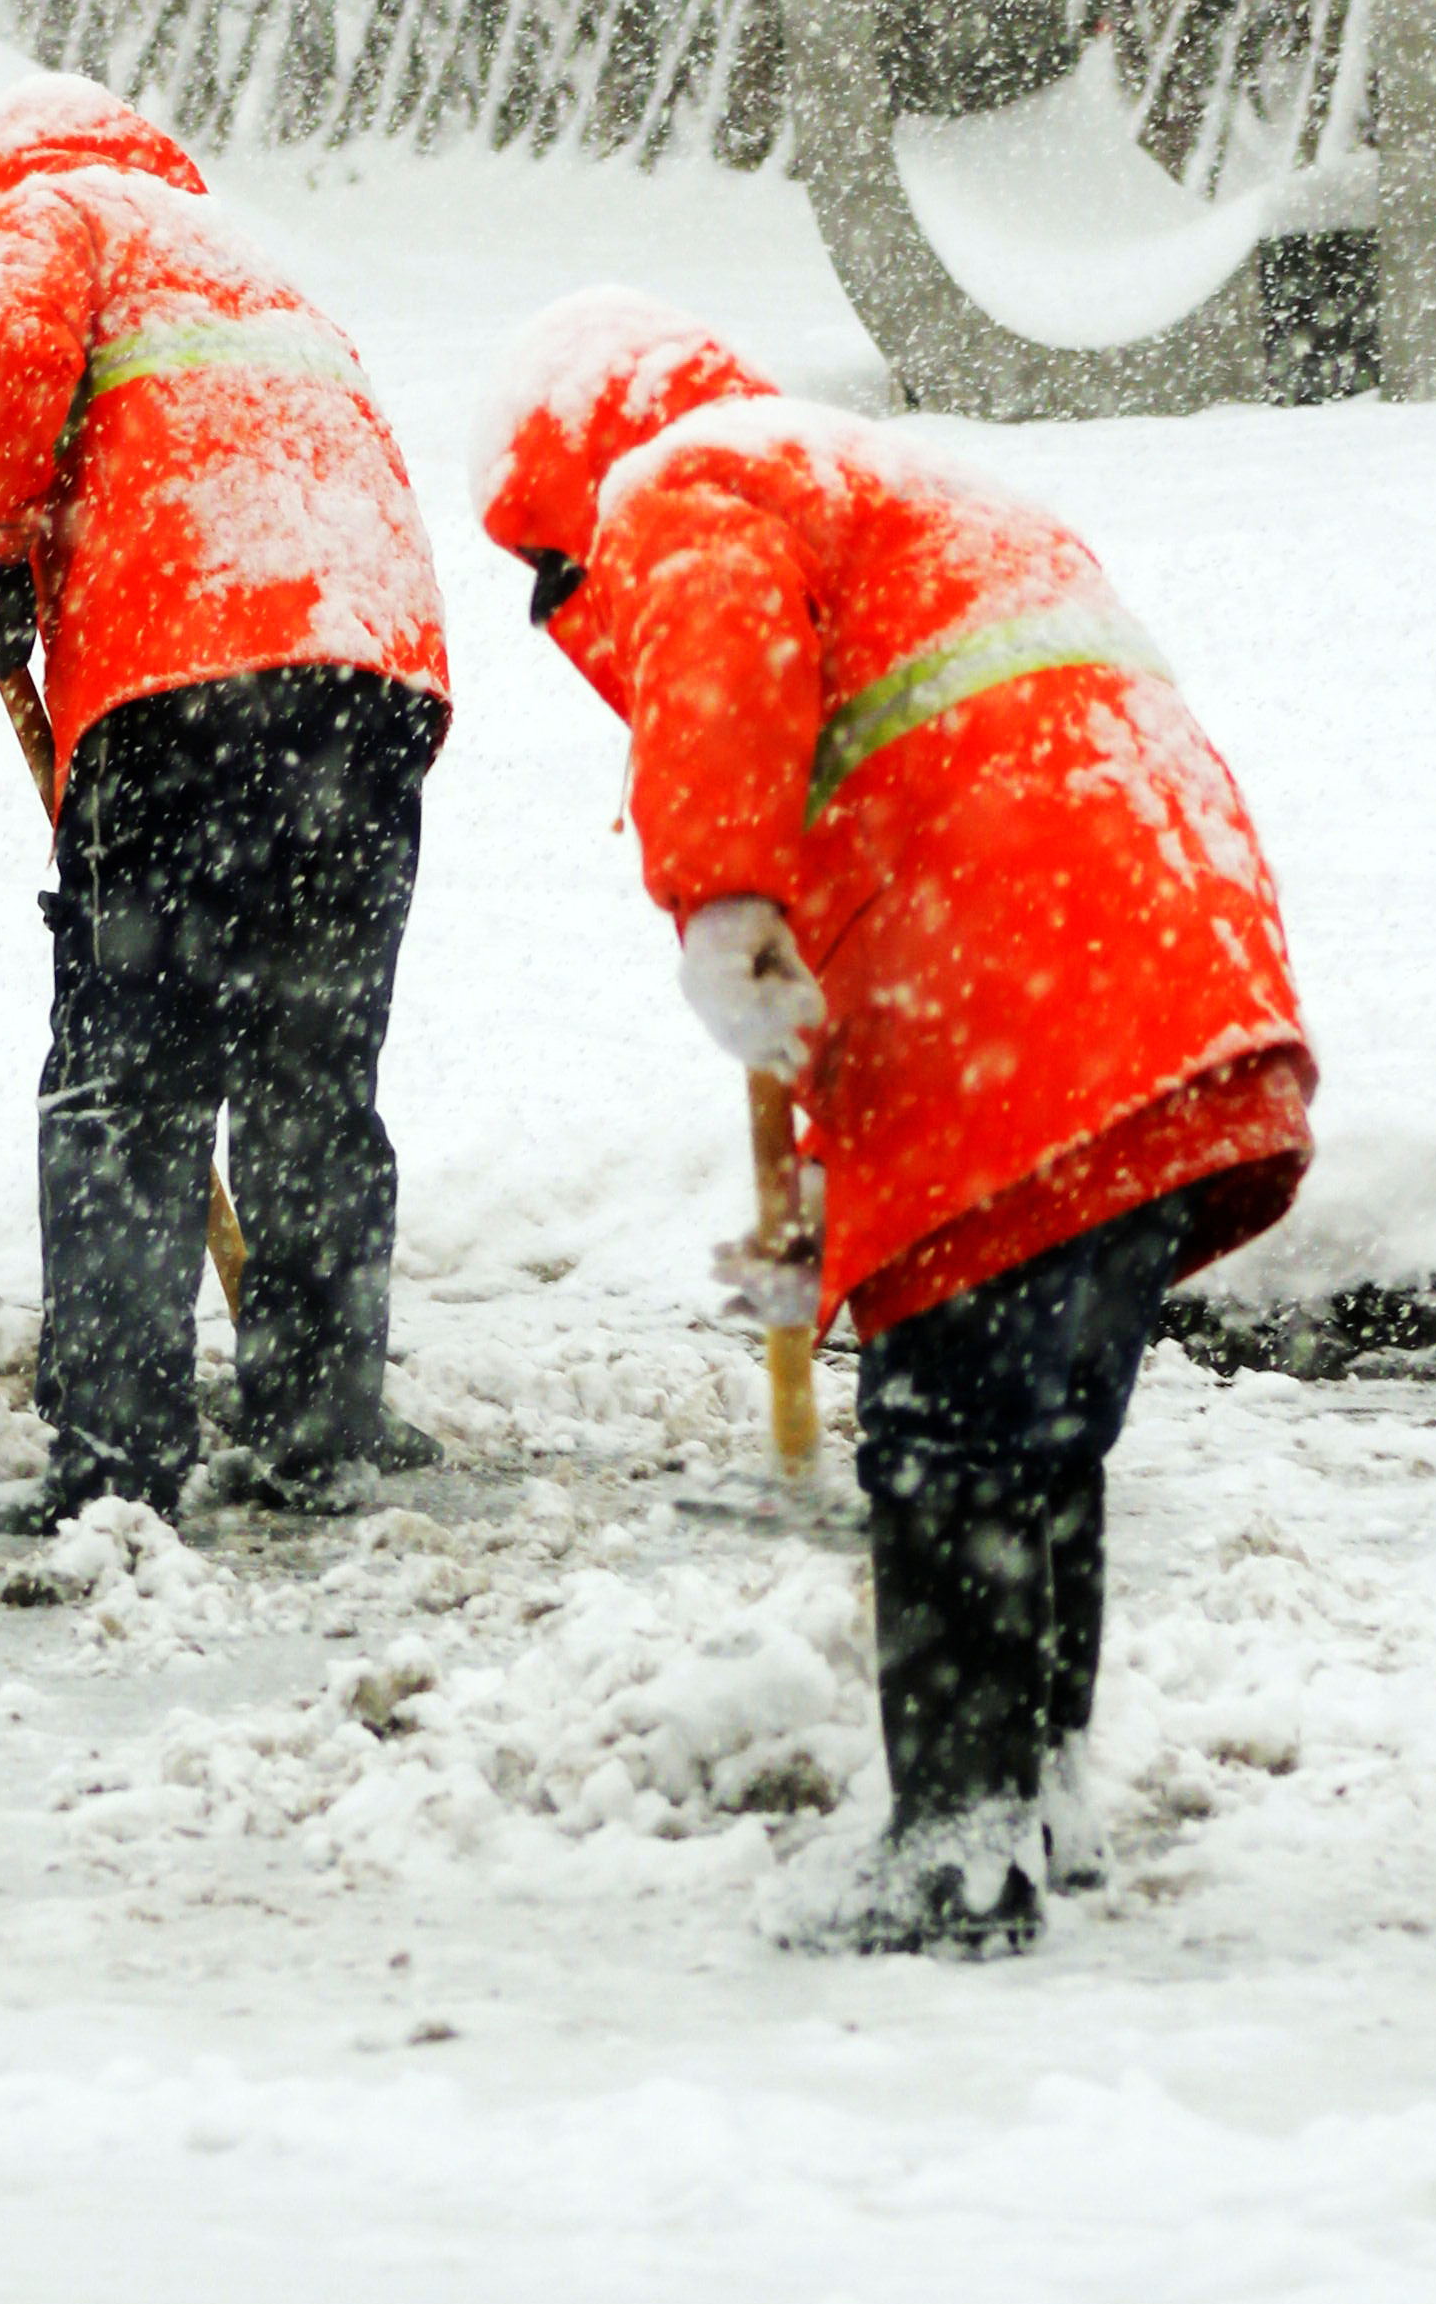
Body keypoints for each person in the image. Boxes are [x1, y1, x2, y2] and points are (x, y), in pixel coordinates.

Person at [477, 290, 1313, 1954]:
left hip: (1031, 998)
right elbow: (912, 846)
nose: (578, 610)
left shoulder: (695, 484)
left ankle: (956, 1844)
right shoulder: (910, 496)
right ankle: (1044, 1798)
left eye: (557, 577)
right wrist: (822, 1212)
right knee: (1039, 1446)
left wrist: (715, 900)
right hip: (1175, 980)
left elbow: (734, 709)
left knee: (943, 1448)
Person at [0, 76, 451, 1525]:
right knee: (310, 1080)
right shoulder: (250, 261)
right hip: (369, 679)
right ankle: (319, 1427)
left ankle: (116, 1463)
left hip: (187, 681)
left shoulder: (61, 208)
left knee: (127, 1086)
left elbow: (0, 349)